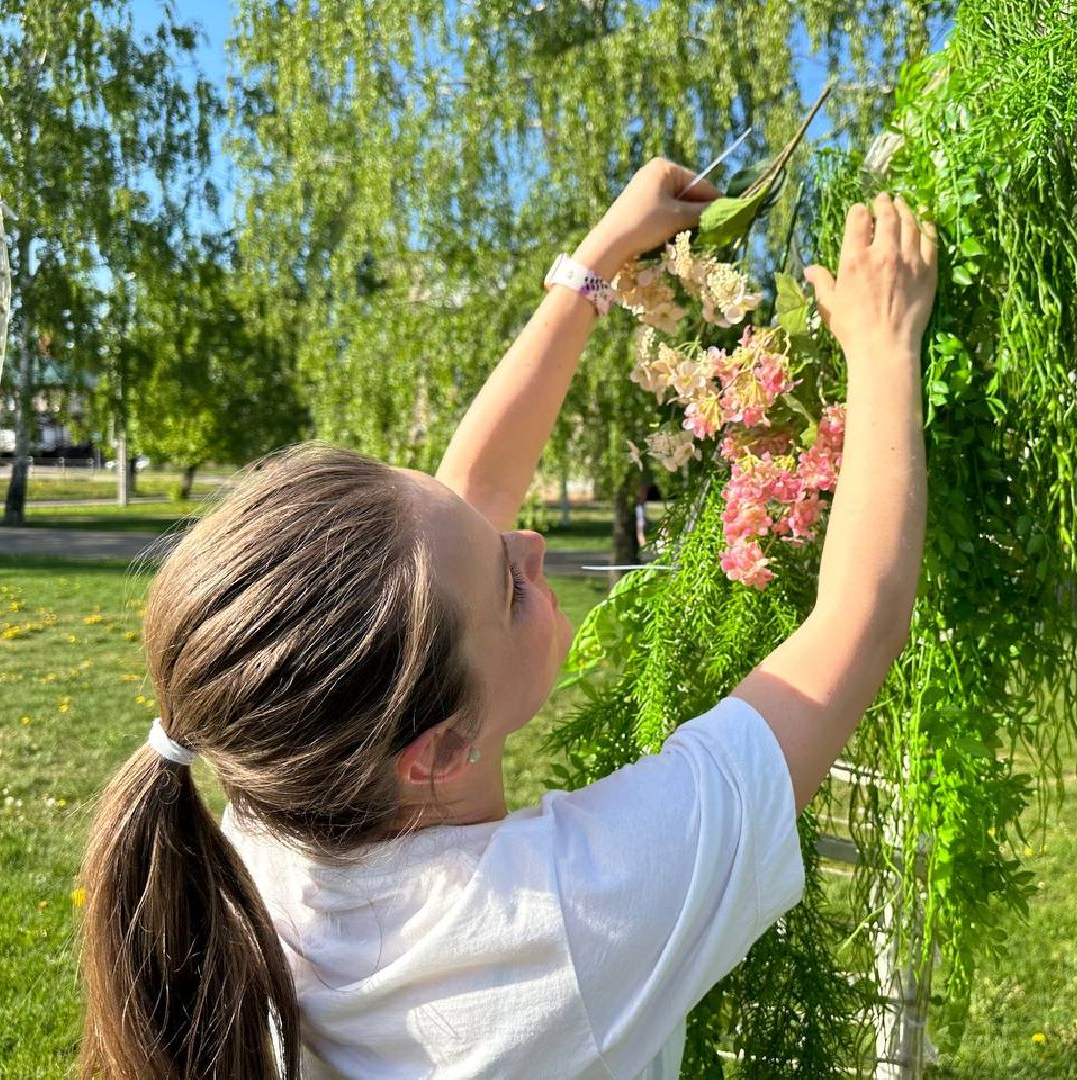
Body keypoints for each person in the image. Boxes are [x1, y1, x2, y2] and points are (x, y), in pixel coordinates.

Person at [75, 159, 936, 1079]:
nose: (528, 544)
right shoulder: (558, 922)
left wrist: (598, 263)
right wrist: (884, 348)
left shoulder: (268, 827)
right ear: (438, 749)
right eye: (509, 588)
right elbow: (855, 626)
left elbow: (462, 506)